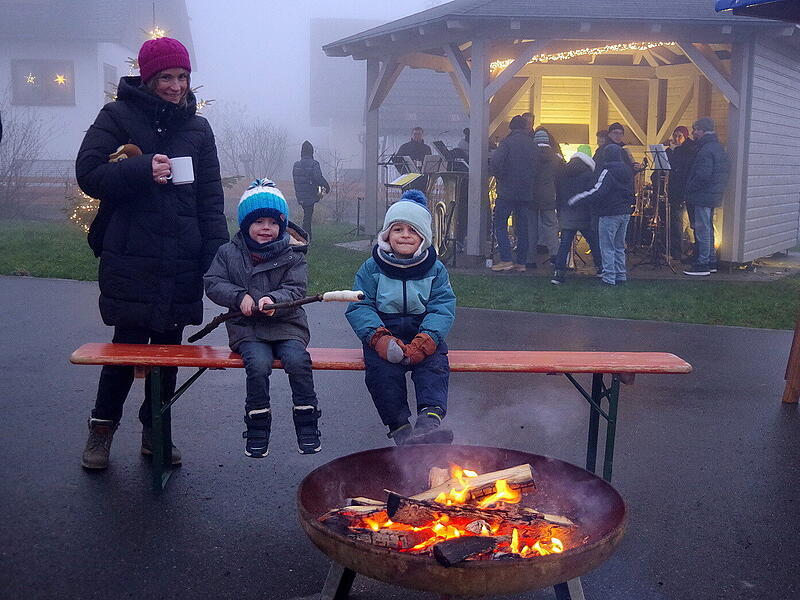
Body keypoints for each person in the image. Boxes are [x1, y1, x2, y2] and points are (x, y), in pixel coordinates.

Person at [76, 37, 229, 470]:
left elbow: (210, 200)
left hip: (182, 257)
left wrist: (215, 259)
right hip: (130, 254)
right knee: (125, 349)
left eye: (182, 77)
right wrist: (141, 169)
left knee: (168, 352)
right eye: (167, 77)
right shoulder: (117, 116)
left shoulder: (198, 129)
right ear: (149, 78)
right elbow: (88, 172)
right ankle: (101, 430)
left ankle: (155, 431)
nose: (176, 86)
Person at [204, 179, 321, 457]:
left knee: (297, 360)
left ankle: (307, 422)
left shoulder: (293, 255)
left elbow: (295, 289)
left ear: (282, 225)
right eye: (258, 222)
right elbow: (213, 282)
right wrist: (239, 297)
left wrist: (275, 302)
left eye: (272, 222)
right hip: (248, 328)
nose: (266, 228)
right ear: (246, 225)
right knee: (257, 364)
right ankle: (258, 425)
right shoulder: (228, 253)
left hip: (287, 324)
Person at [345, 190, 456, 446]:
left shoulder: (435, 269)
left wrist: (427, 339)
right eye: (398, 229)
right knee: (382, 375)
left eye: (412, 230)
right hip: (385, 332)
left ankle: (428, 423)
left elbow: (442, 306)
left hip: (423, 331)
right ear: (386, 235)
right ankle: (400, 428)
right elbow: (359, 306)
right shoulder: (371, 268)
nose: (405, 235)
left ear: (423, 238)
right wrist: (379, 339)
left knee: (434, 367)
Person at [568, 144, 634, 286]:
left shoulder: (607, 171)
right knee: (619, 246)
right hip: (624, 212)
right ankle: (620, 275)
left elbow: (598, 191)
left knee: (607, 247)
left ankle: (609, 278)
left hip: (609, 213)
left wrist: (577, 198)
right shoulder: (628, 171)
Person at [489, 115, 538, 272]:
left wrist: (500, 176)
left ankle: (506, 259)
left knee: (500, 224)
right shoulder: (532, 144)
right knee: (523, 227)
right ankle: (521, 262)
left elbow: (496, 162)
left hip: (507, 190)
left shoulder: (507, 143)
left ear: (511, 127)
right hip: (526, 191)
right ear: (525, 127)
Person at [683, 117, 729, 276]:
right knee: (708, 228)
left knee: (702, 229)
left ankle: (702, 264)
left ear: (702, 130)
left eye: (696, 130)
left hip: (703, 194)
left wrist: (689, 187)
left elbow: (703, 174)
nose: (694, 133)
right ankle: (710, 261)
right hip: (712, 193)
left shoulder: (706, 149)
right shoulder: (717, 147)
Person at [551, 151, 602, 285]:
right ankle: (601, 268)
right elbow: (590, 195)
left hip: (566, 212)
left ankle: (558, 274)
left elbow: (558, 194)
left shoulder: (562, 174)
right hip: (584, 213)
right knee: (594, 242)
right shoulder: (588, 175)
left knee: (564, 244)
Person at [528, 128, 563, 267]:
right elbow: (561, 177)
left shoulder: (528, 157)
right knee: (551, 226)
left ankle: (530, 260)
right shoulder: (557, 158)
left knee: (531, 228)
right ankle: (555, 254)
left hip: (530, 196)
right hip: (549, 196)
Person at [666, 126, 698, 261]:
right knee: (681, 223)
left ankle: (678, 252)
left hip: (681, 191)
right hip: (678, 191)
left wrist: (672, 151)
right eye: (675, 135)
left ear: (685, 137)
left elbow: (677, 168)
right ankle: (681, 251)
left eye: (679, 136)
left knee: (680, 223)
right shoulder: (680, 150)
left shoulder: (686, 151)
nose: (676, 139)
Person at [291, 140, 330, 237]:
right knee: (307, 218)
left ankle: (306, 236)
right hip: (310, 195)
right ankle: (306, 237)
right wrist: (326, 186)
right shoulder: (314, 164)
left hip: (300, 195)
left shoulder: (296, 165)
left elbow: (296, 180)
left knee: (306, 216)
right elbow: (318, 178)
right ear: (311, 152)